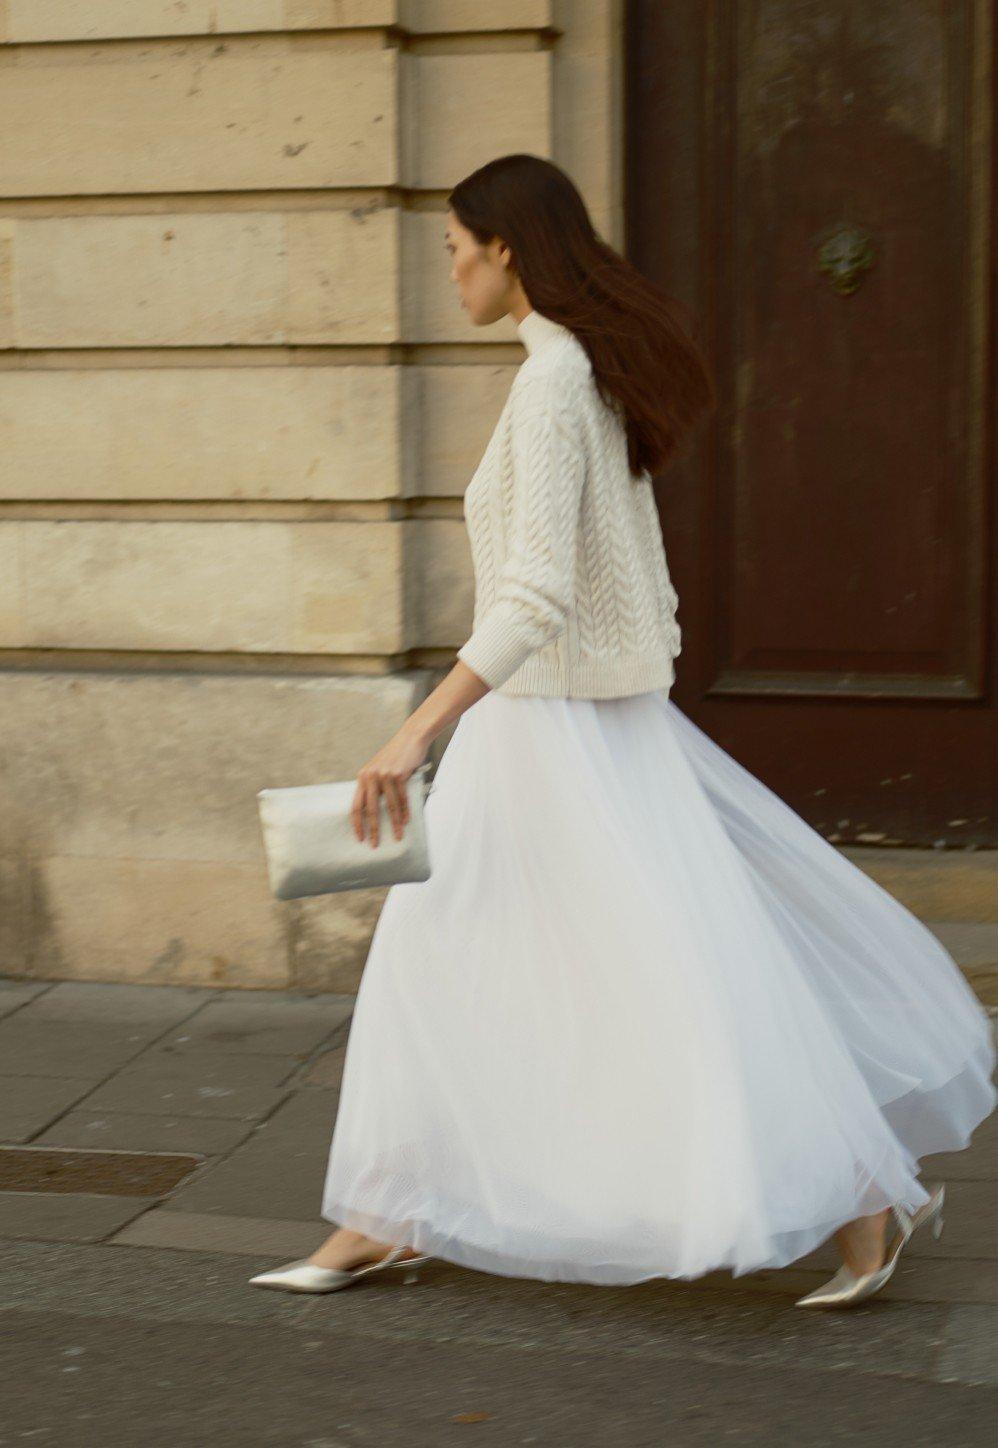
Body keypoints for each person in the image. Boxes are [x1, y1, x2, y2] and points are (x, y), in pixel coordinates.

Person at [250, 153, 997, 1309]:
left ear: (504, 246)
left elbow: (536, 592)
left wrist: (418, 730)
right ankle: (385, 1216)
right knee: (525, 966)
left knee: (644, 975)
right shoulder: (574, 373)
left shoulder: (554, 385)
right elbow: (633, 587)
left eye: (454, 247)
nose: (447, 270)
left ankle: (862, 1195)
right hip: (567, 729)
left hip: (547, 736)